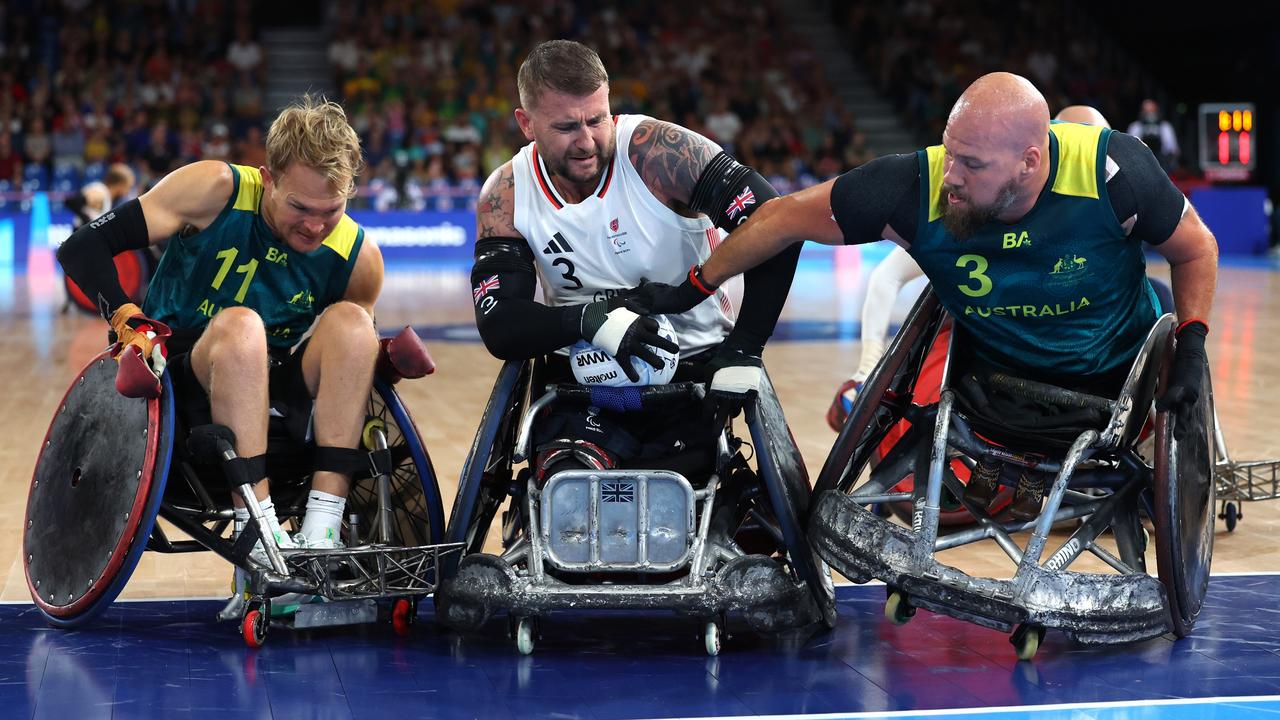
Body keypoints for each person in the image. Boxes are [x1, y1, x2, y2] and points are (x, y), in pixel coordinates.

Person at [632, 73, 1218, 521]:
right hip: (994, 389)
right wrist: (696, 285)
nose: (952, 175)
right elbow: (782, 217)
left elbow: (1196, 249)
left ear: (1030, 162)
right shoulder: (918, 186)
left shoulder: (1115, 171)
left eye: (972, 163)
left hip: (1115, 386)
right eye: (949, 152)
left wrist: (1191, 345)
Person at [57, 95, 383, 607]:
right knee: (242, 328)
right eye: (300, 207)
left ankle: (323, 527)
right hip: (178, 374)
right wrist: (124, 316)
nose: (316, 227)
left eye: (332, 211)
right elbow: (80, 248)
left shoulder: (358, 256)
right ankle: (262, 536)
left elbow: (352, 365)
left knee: (355, 324)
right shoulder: (215, 189)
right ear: (267, 178)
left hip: (275, 383)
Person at [470, 39, 799, 471]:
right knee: (572, 499)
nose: (586, 141)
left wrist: (746, 346)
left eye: (596, 119)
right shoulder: (506, 193)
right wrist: (586, 320)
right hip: (581, 377)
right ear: (526, 124)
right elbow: (499, 326)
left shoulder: (659, 152)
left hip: (696, 366)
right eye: (566, 127)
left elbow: (779, 225)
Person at [825, 104, 1122, 433]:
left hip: (1076, 382)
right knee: (901, 421)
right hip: (984, 373)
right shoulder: (980, 208)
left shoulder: (1103, 220)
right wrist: (868, 368)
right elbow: (887, 276)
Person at [66, 163, 136, 228]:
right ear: (120, 184)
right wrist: (90, 224)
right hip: (81, 236)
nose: (128, 191)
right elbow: (72, 202)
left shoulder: (106, 194)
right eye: (128, 187)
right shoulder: (101, 193)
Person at [1126, 98, 1180, 175]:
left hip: (1162, 167)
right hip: (1141, 167)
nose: (1150, 115)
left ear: (1157, 111)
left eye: (1152, 111)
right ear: (1142, 112)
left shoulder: (1165, 127)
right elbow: (1129, 150)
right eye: (1146, 111)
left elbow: (1174, 150)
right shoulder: (1135, 127)